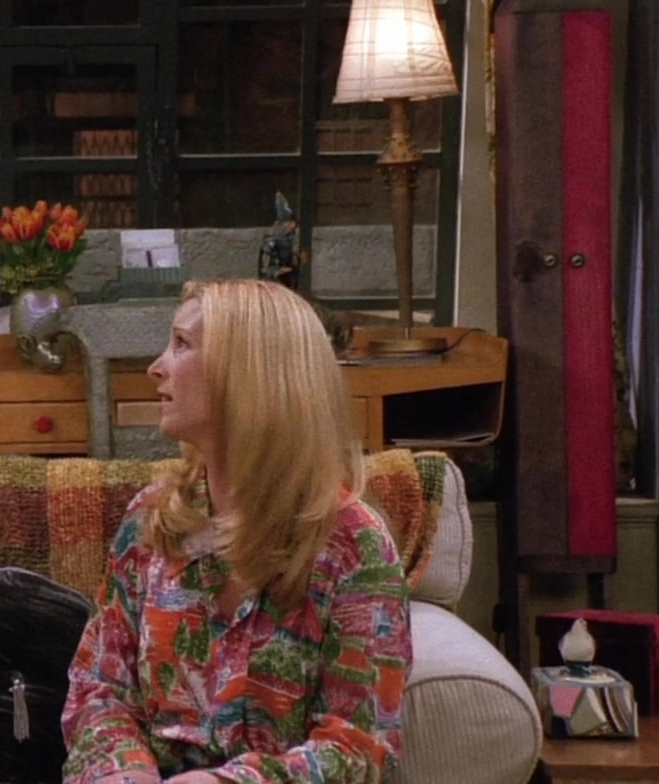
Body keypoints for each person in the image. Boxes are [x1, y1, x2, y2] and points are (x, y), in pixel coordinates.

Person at [61, 279, 410, 783]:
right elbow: (99, 690)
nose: (156, 366)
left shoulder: (355, 547)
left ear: (248, 374)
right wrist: (126, 775)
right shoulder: (151, 522)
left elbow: (360, 746)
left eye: (181, 344)